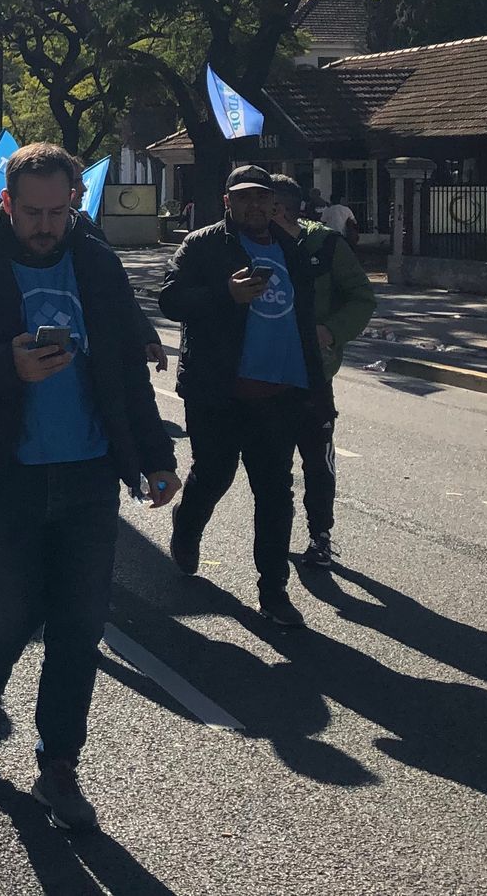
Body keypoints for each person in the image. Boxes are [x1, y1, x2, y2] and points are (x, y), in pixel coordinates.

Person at [0, 142, 178, 834]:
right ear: (7, 203)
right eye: (30, 211)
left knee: (79, 624)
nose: (43, 224)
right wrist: (7, 366)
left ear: (74, 202)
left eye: (56, 211)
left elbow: (126, 365)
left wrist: (155, 456)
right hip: (1, 476)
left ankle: (58, 766)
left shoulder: (95, 260)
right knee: (7, 611)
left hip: (89, 474)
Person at [156, 163, 331, 630]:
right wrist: (223, 295)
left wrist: (317, 392)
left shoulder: (292, 249)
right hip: (219, 390)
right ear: (227, 202)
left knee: (275, 494)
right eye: (244, 197)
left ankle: (273, 592)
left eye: (262, 197)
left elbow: (305, 322)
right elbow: (169, 300)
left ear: (273, 202)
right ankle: (187, 523)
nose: (254, 205)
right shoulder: (203, 244)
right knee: (213, 475)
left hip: (280, 395)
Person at [269, 174, 376, 569]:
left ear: (286, 208)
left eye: (273, 206)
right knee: (271, 466)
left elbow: (362, 298)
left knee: (317, 459)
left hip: (314, 375)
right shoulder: (252, 246)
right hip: (265, 375)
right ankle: (274, 543)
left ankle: (320, 536)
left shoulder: (326, 245)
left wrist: (330, 332)